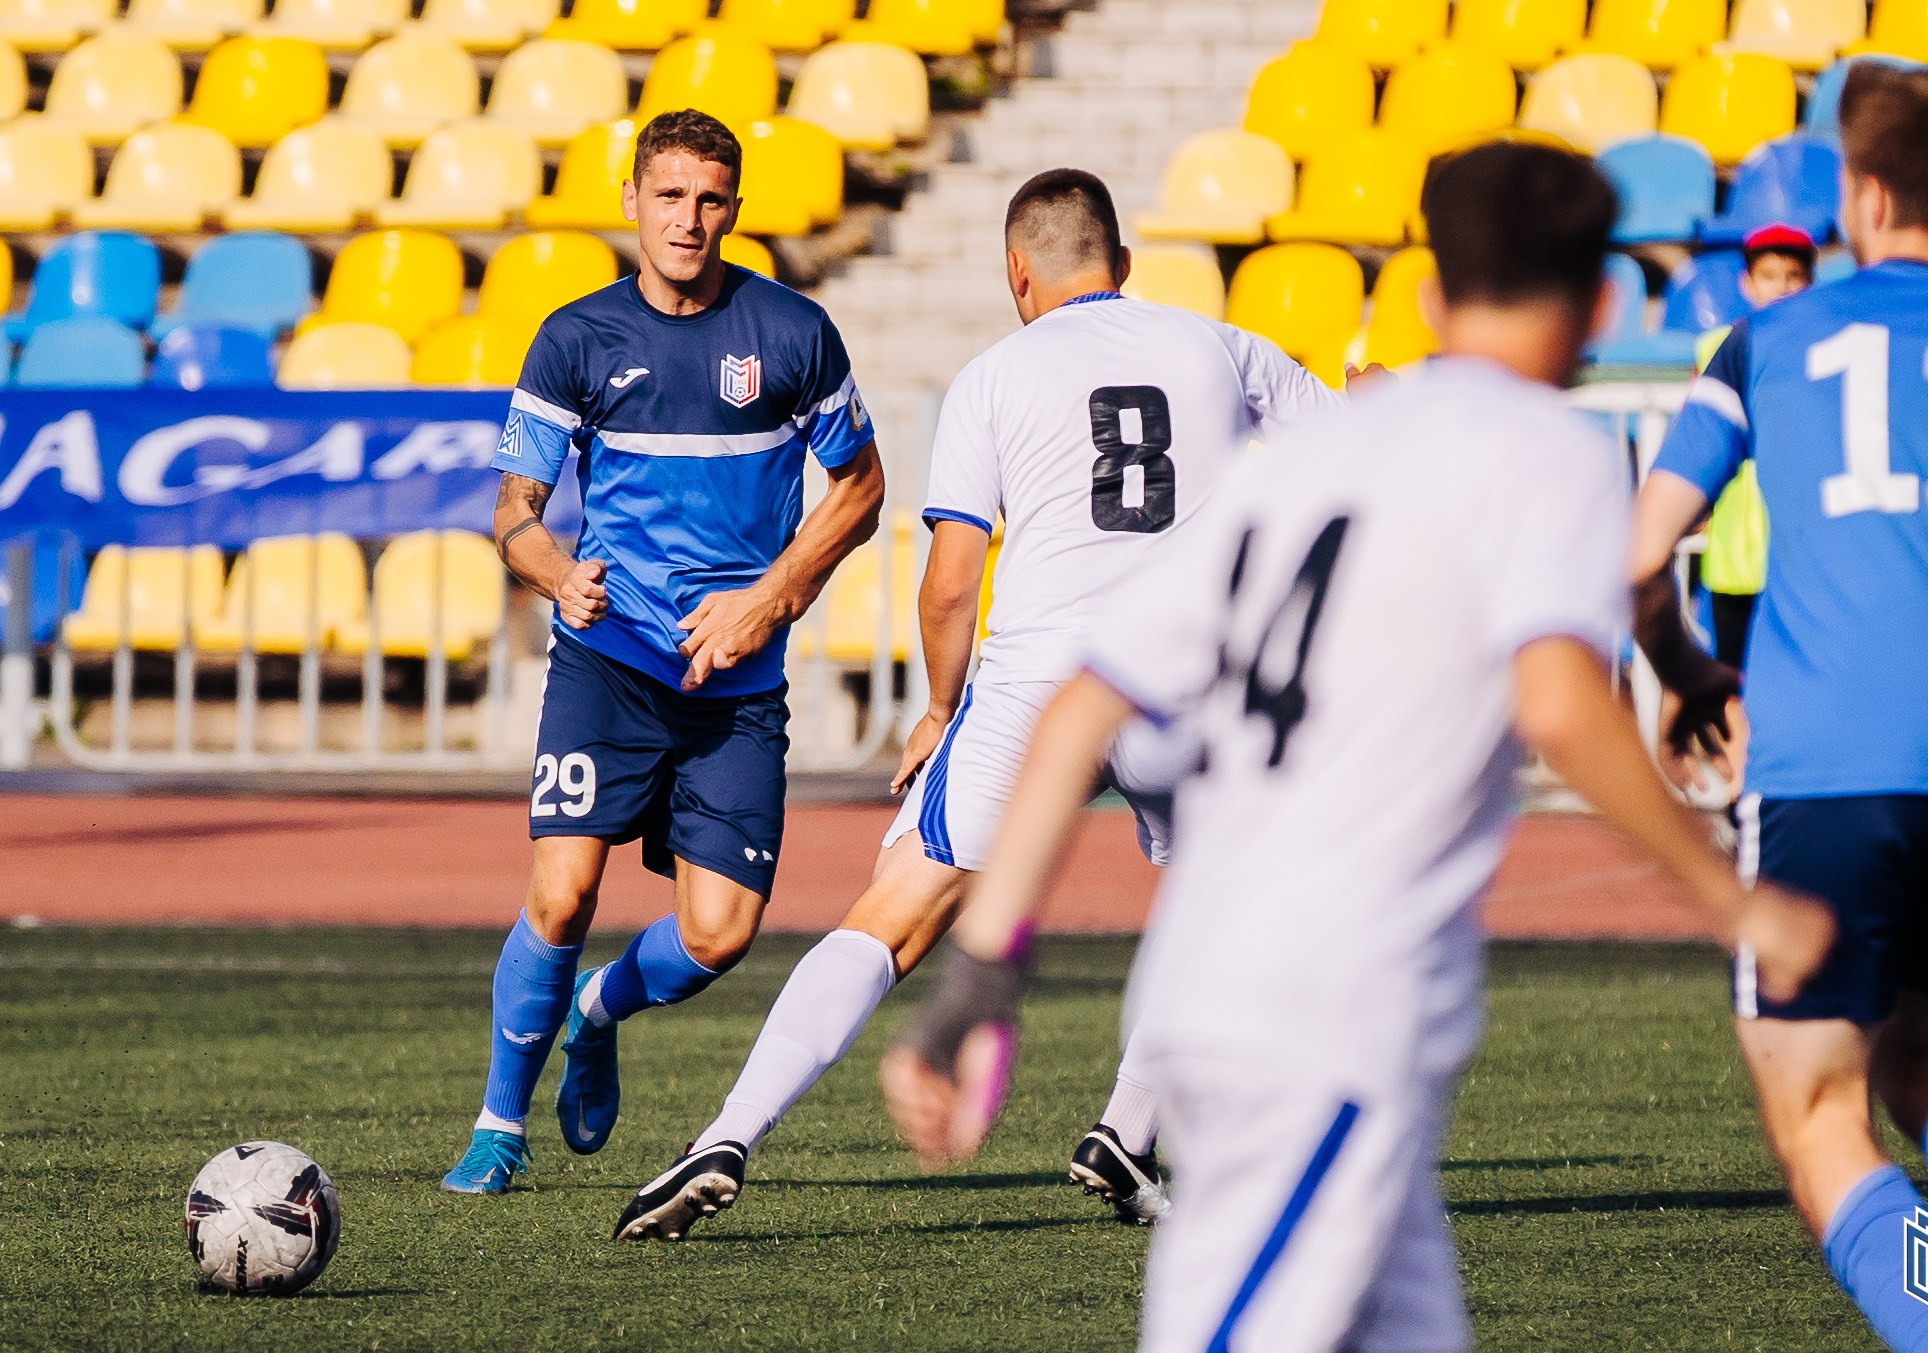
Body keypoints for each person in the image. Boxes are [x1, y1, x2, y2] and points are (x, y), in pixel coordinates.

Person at [880, 142, 1832, 1353]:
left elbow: (1077, 712)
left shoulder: (1311, 460)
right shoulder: (1549, 452)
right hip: (1322, 1017)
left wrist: (978, 978)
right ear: (1600, 307)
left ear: (1432, 299)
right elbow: (1556, 703)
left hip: (1235, 987)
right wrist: (1732, 903)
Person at [610, 167, 1343, 1241]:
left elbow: (953, 577)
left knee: (893, 919)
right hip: (1190, 680)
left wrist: (939, 709)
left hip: (1041, 686)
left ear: (1017, 273)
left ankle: (726, 1135)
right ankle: (1127, 1131)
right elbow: (1343, 442)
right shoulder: (1219, 346)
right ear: (1123, 265)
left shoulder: (995, 375)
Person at [1630, 63, 1928, 1352]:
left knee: (1821, 1117)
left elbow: (1635, 560)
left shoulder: (1766, 340)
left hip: (1822, 772)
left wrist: (1689, 675)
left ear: (1860, 197)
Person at [440, 108, 886, 1193]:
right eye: (671, 195)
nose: (690, 219)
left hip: (737, 686)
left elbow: (862, 489)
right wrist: (553, 569)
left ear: (735, 209)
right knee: (559, 895)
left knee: (719, 937)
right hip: (610, 661)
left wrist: (766, 599)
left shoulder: (792, 334)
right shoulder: (575, 338)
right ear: (632, 200)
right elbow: (514, 510)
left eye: (712, 199)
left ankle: (596, 1011)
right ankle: (500, 1125)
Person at [1697, 223, 1818, 674]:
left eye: (1793, 276)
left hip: (1797, 548)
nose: (1782, 288)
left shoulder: (1825, 352)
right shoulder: (1715, 347)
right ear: (1748, 284)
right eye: (1770, 276)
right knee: (1733, 677)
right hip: (1735, 551)